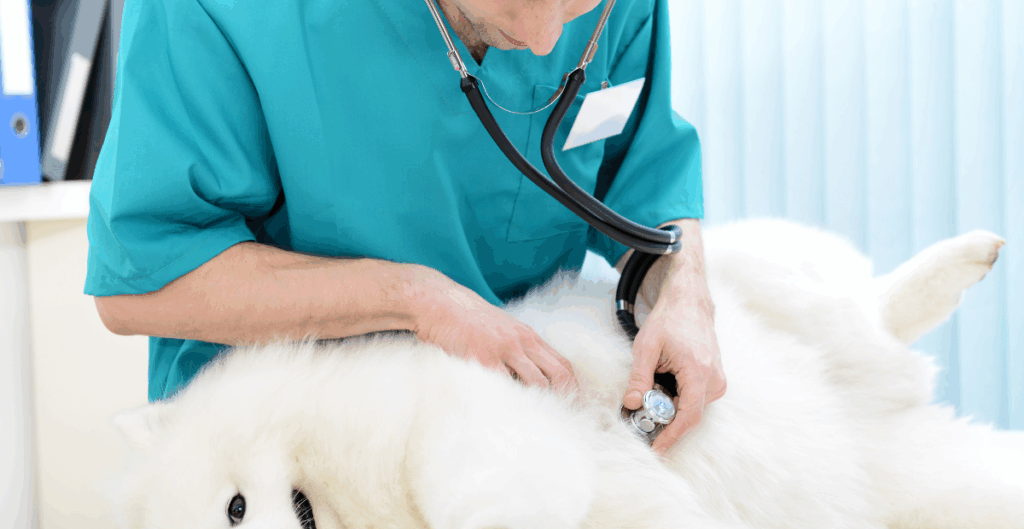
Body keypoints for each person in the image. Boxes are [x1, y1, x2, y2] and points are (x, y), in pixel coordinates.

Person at [85, 0, 726, 454]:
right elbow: (144, 280)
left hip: (514, 438)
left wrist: (684, 289)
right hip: (281, 454)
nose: (542, 40)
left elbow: (642, 173)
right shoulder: (220, 11)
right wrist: (416, 301)